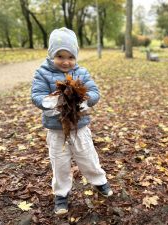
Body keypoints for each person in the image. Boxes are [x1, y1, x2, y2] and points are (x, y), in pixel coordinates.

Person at [31, 27, 113, 215]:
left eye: (70, 57)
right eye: (60, 56)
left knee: (88, 157)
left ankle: (99, 181)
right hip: (56, 130)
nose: (66, 61)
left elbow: (94, 92)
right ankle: (61, 194)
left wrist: (86, 100)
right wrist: (50, 101)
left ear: (76, 57)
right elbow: (36, 95)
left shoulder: (81, 73)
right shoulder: (42, 73)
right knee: (59, 163)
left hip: (79, 127)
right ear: (51, 54)